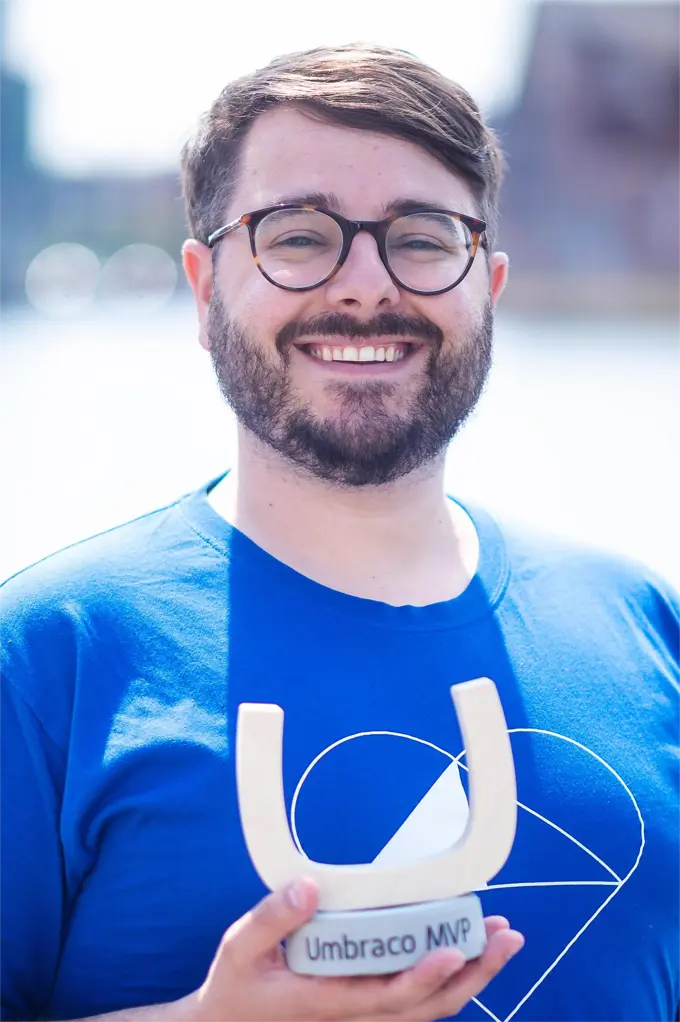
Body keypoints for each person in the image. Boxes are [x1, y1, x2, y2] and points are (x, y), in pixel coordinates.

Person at [1, 41, 679, 1022]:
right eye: (300, 234)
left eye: (419, 236)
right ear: (202, 288)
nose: (365, 285)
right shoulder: (48, 656)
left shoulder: (642, 625)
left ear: (485, 283)